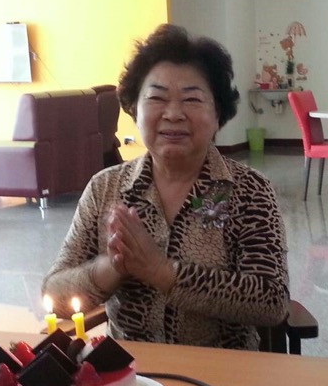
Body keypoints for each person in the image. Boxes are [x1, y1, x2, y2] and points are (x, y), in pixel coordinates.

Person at [42, 24, 289, 350]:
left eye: (192, 99)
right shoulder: (105, 188)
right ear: (134, 110)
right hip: (132, 372)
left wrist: (162, 272)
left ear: (218, 115)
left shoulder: (249, 191)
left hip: (223, 370)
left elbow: (271, 301)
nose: (173, 114)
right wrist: (112, 267)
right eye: (156, 98)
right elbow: (54, 294)